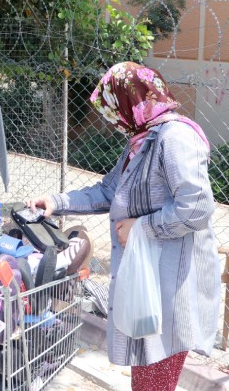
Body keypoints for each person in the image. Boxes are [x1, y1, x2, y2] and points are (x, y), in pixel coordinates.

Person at [26, 61, 220, 390]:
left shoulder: (174, 138)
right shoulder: (142, 141)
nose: (112, 119)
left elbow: (197, 207)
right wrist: (56, 202)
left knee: (153, 383)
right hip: (147, 284)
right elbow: (107, 190)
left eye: (113, 106)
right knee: (145, 382)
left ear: (131, 101)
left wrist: (142, 227)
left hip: (169, 290)